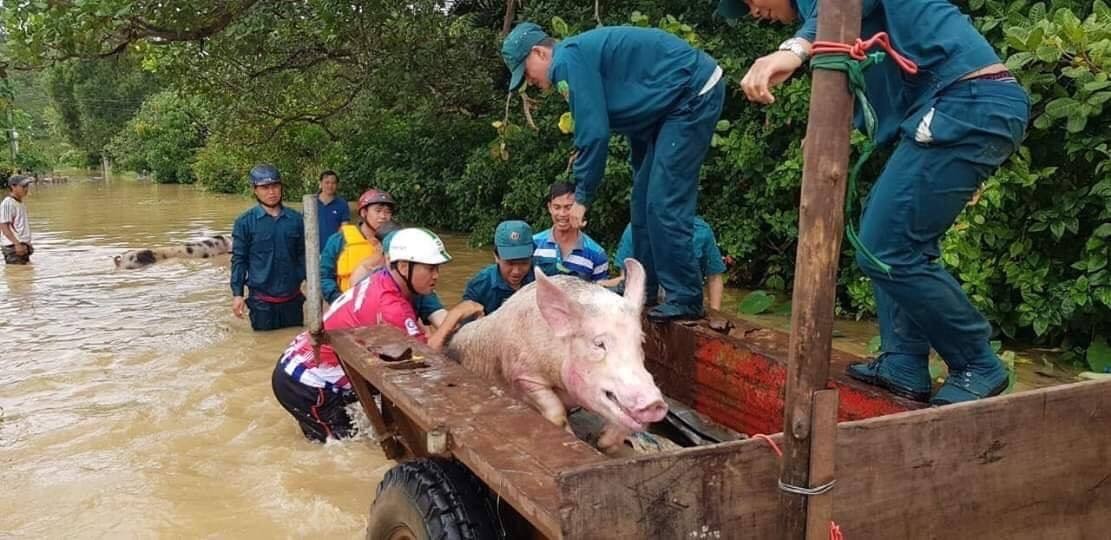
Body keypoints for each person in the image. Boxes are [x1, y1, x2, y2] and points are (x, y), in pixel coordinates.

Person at [719, 0, 1029, 405]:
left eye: (748, 2)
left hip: (966, 100)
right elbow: (858, 66)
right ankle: (903, 362)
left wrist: (793, 48)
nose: (752, 12)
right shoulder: (833, 17)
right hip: (958, 104)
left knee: (889, 249)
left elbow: (834, 12)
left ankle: (977, 362)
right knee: (882, 239)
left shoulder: (826, 6)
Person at [501, 22, 725, 320]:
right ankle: (645, 287)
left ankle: (685, 297)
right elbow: (627, 111)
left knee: (663, 202)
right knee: (641, 202)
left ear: (540, 52)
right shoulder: (576, 58)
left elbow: (593, 133)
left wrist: (582, 196)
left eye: (526, 71)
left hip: (692, 94)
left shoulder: (566, 61)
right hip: (659, 113)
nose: (530, 80)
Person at [271, 228, 484, 442]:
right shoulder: (391, 306)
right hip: (305, 384)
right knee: (340, 449)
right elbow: (425, 360)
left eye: (437, 268)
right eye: (430, 268)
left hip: (306, 367)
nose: (436, 275)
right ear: (403, 267)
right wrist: (454, 316)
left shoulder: (384, 278)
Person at [230, 164, 306, 331]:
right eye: (265, 187)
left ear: (281, 187)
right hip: (261, 303)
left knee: (293, 344)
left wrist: (314, 287)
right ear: (255, 190)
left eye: (275, 186)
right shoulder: (244, 222)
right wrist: (238, 294)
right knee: (262, 347)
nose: (271, 192)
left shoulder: (296, 220)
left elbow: (304, 255)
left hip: (292, 299)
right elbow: (239, 260)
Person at [613, 217, 727, 311]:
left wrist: (714, 312)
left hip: (686, 307)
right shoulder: (635, 229)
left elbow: (714, 277)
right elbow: (625, 277)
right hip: (644, 303)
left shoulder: (702, 231)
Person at [319, 189, 395, 304]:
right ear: (364, 212)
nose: (383, 216)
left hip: (386, 308)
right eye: (378, 211)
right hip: (347, 307)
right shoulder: (339, 240)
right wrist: (339, 300)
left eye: (387, 212)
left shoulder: (396, 243)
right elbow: (324, 275)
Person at [531, 182, 609, 282]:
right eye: (557, 207)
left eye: (568, 207)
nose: (562, 213)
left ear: (579, 209)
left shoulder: (596, 254)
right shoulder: (534, 244)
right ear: (550, 208)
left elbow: (600, 294)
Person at [462, 220, 536, 315]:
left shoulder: (543, 275)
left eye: (524, 263)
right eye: (510, 263)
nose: (516, 271)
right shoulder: (480, 285)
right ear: (496, 257)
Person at [1, 175, 35, 265]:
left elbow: (20, 226)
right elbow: (4, 227)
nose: (26, 189)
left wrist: (27, 243)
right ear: (13, 187)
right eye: (23, 186)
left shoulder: (19, 203)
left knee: (25, 275)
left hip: (21, 245)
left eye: (27, 186)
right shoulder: (8, 203)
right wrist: (17, 244)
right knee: (18, 275)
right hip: (13, 247)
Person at [314, 170, 350, 252]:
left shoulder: (342, 204)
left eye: (333, 183)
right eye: (327, 182)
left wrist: (334, 246)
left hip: (334, 250)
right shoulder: (312, 202)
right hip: (313, 250)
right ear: (320, 183)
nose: (330, 185)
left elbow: (344, 227)